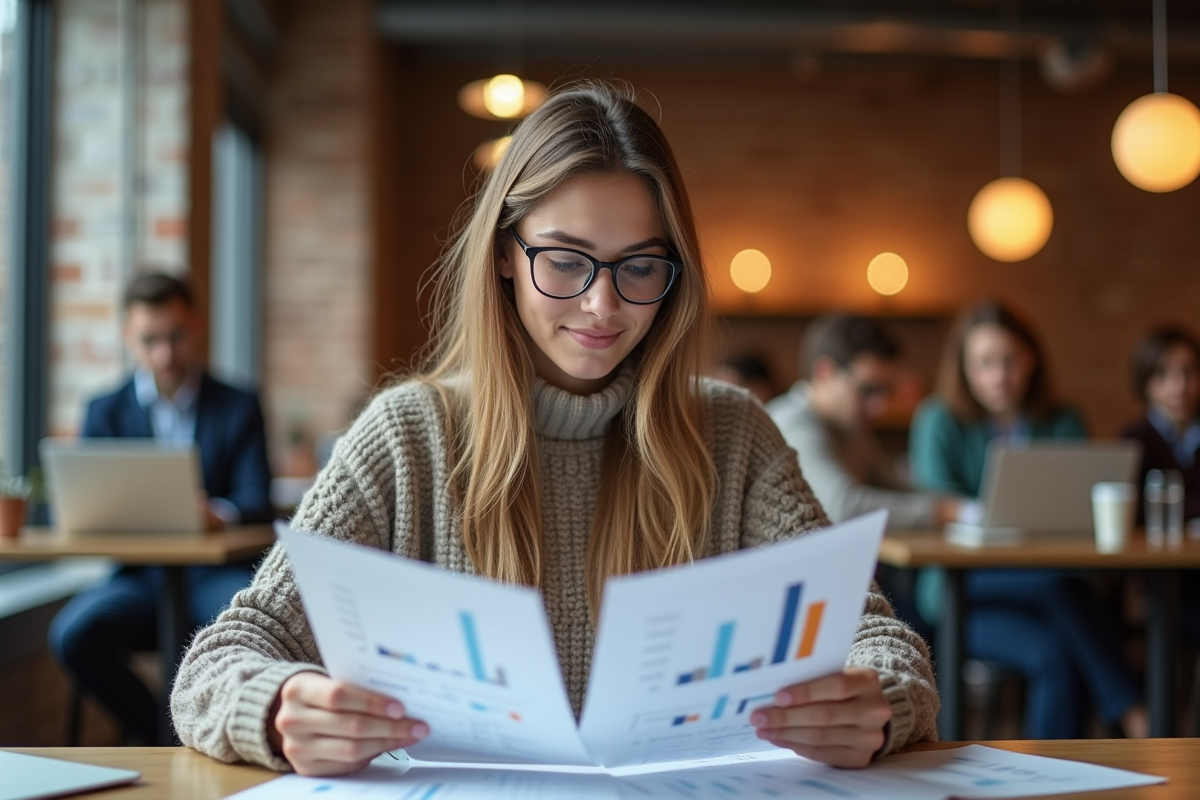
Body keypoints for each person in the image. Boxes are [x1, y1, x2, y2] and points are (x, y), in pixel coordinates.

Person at [170, 82, 938, 777]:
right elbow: (222, 658)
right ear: (506, 254)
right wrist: (278, 705)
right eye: (567, 262)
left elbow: (881, 641)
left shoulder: (733, 435)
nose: (603, 307)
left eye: (640, 267)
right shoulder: (408, 437)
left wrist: (876, 704)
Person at [48, 273, 272, 745]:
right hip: (139, 579)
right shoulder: (103, 411)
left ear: (195, 326)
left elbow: (256, 501)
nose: (165, 355)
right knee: (74, 635)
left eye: (176, 337)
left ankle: (208, 735)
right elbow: (84, 507)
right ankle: (154, 731)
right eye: (150, 340)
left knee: (250, 629)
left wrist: (218, 515)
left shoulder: (238, 405)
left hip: (213, 577)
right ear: (128, 338)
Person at [909, 300, 1147, 739]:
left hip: (1046, 591)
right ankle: (1134, 712)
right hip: (964, 591)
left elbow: (1079, 506)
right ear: (963, 366)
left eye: (1010, 361)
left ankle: (1059, 778)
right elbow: (932, 502)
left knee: (1057, 654)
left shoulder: (1063, 419)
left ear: (1031, 359)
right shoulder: (938, 419)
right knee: (1060, 586)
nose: (998, 376)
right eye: (984, 363)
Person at [766, 313, 958, 529]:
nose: (879, 406)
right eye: (867, 390)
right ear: (825, 372)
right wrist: (941, 512)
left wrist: (964, 506)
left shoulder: (849, 426)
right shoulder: (791, 423)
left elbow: (896, 486)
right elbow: (842, 507)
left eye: (885, 392)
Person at [1122, 326, 1200, 524]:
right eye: (1163, 375)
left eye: (1188, 372)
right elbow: (1130, 508)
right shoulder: (1132, 442)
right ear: (1145, 382)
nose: (1179, 387)